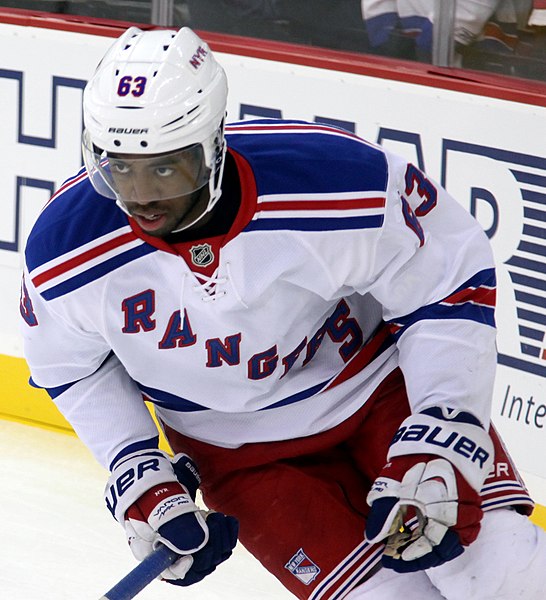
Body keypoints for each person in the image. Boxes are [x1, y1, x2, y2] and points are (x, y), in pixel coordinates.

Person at [20, 26, 546, 600]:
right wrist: (140, 473)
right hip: (241, 460)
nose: (141, 196)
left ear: (213, 144)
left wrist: (444, 426)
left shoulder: (334, 182)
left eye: (166, 168)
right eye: (119, 167)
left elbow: (446, 278)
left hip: (380, 394)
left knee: (502, 572)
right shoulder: (64, 248)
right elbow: (71, 366)